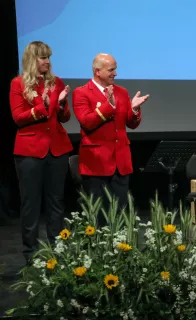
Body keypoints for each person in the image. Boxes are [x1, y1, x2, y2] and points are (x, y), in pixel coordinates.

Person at [9, 41, 73, 264]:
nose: (47, 61)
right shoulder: (18, 84)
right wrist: (41, 108)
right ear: (31, 59)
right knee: (31, 203)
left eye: (48, 57)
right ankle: (31, 253)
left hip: (57, 149)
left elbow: (65, 118)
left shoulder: (57, 83)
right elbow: (18, 117)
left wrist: (62, 105)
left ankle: (58, 250)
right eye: (43, 57)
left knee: (56, 201)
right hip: (30, 151)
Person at [72, 53, 149, 220]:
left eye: (115, 69)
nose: (115, 74)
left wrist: (134, 109)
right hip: (96, 163)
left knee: (121, 214)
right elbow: (87, 122)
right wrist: (107, 106)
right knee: (98, 215)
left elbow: (131, 124)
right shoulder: (81, 93)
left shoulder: (122, 92)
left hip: (120, 162)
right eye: (111, 70)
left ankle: (120, 246)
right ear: (97, 71)